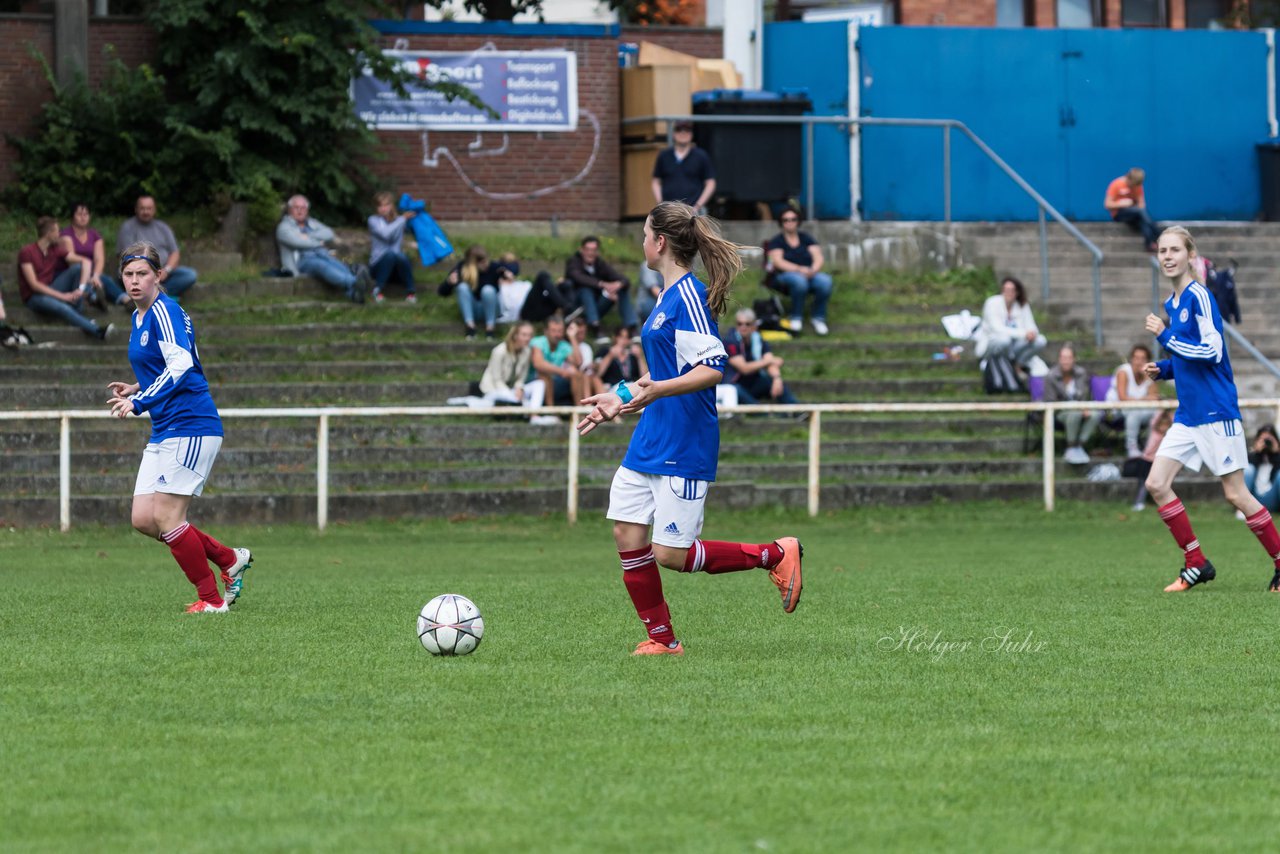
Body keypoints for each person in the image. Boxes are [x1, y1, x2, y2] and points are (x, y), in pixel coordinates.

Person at [575, 201, 803, 657]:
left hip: (685, 440)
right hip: (651, 438)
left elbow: (712, 367)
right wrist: (618, 397)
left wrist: (655, 391)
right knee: (627, 532)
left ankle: (774, 554)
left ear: (660, 242)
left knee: (671, 555)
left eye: (644, 234)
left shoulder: (690, 298)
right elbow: (660, 371)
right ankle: (664, 640)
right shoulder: (664, 300)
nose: (641, 242)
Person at [105, 241, 253, 613]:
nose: (135, 281)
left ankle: (212, 601)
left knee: (168, 517)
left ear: (158, 275)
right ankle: (228, 558)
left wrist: (138, 401)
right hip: (166, 428)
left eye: (142, 274)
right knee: (143, 518)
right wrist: (136, 385)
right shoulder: (140, 316)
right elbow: (168, 361)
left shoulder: (165, 310)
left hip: (192, 425)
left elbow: (182, 364)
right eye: (128, 274)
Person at [1140, 225, 1280, 593]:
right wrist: (1165, 367)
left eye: (1175, 250)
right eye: (1162, 251)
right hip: (1188, 414)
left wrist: (1164, 337)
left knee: (1235, 495)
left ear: (1189, 255)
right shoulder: (1173, 303)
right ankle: (1196, 562)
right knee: (1156, 483)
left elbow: (1213, 351)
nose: (1168, 256)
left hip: (1217, 411)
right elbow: (1190, 356)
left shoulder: (1200, 297)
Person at [18, 216, 114, 341]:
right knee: (62, 307)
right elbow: (34, 285)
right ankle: (97, 331)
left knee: (78, 268)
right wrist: (64, 296)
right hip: (33, 296)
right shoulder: (27, 252)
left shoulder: (55, 250)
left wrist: (81, 288)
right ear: (49, 233)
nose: (60, 234)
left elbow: (85, 262)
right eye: (57, 231)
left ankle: (85, 299)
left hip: (50, 288)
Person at [276, 194, 369, 304]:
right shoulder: (284, 227)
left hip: (322, 254)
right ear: (290, 210)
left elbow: (329, 233)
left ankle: (353, 294)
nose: (300, 211)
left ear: (307, 210)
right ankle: (354, 283)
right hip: (302, 261)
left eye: (303, 208)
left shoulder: (312, 222)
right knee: (321, 265)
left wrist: (308, 236)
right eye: (296, 208)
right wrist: (318, 242)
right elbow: (299, 243)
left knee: (337, 265)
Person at [765, 205, 833, 336]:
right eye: (786, 220)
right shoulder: (776, 241)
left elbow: (818, 256)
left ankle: (818, 317)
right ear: (781, 222)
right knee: (799, 281)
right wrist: (799, 269)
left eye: (793, 219)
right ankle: (796, 316)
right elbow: (778, 262)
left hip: (809, 273)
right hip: (785, 276)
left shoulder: (806, 238)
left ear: (798, 221)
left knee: (825, 281)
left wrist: (813, 269)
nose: (790, 222)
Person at [116, 195, 198, 299]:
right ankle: (154, 295)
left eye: (149, 208)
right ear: (136, 209)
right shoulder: (127, 228)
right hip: (138, 273)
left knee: (190, 275)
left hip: (163, 274)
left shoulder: (163, 228)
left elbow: (175, 253)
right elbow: (127, 257)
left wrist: (166, 270)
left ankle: (152, 296)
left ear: (154, 210)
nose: (146, 212)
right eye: (142, 208)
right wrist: (149, 271)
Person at [722, 307, 800, 408]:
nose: (743, 327)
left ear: (754, 326)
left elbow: (770, 363)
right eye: (739, 323)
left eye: (747, 324)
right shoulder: (730, 341)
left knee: (770, 381)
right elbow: (744, 368)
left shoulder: (758, 339)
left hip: (753, 382)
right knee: (736, 390)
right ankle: (762, 414)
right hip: (734, 384)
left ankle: (797, 410)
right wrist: (769, 361)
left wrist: (777, 378)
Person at [564, 236, 638, 337]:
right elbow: (578, 277)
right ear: (581, 250)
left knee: (621, 290)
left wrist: (618, 284)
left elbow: (622, 279)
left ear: (597, 252)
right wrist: (603, 284)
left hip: (597, 305)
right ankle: (595, 327)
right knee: (586, 290)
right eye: (588, 250)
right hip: (578, 307)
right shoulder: (573, 262)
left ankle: (632, 326)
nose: (590, 253)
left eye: (593, 250)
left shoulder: (600, 264)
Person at [477, 321, 551, 421]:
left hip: (512, 390)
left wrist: (519, 389)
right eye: (524, 335)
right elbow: (497, 380)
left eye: (529, 335)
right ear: (515, 335)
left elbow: (521, 378)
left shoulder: (527, 351)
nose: (527, 338)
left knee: (540, 384)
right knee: (513, 398)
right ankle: (524, 408)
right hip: (494, 390)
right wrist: (514, 394)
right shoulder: (499, 351)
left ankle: (534, 415)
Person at [1043, 343, 1102, 464]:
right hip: (1059, 412)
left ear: (1074, 359)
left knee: (1095, 414)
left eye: (1069, 358)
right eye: (1063, 358)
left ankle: (1078, 446)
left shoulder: (1081, 373)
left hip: (1079, 408)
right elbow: (1050, 401)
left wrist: (1083, 407)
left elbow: (1084, 395)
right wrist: (1074, 408)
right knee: (1074, 414)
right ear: (1059, 359)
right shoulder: (1051, 376)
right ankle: (1070, 447)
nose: (1066, 361)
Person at [62, 202, 128, 309]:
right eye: (79, 214)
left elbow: (99, 259)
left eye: (86, 214)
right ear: (72, 216)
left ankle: (125, 301)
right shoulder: (66, 235)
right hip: (75, 272)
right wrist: (88, 276)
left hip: (92, 274)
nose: (83, 218)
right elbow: (71, 260)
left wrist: (96, 276)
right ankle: (97, 297)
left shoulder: (94, 235)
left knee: (103, 279)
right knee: (100, 280)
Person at [974, 276, 1047, 372]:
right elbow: (997, 328)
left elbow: (1031, 325)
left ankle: (1018, 364)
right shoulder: (992, 303)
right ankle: (996, 364)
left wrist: (1032, 334)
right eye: (1006, 290)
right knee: (1004, 340)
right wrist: (1024, 334)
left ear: (1017, 292)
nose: (1008, 293)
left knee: (1040, 340)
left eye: (1012, 290)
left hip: (1015, 345)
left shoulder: (1022, 305)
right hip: (994, 343)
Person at [650, 120, 715, 211]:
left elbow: (710, 183)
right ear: (673, 134)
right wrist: (661, 204)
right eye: (679, 129)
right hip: (669, 211)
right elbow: (656, 182)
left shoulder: (701, 156)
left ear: (692, 134)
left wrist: (697, 206)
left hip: (693, 211)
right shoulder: (664, 156)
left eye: (687, 130)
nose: (683, 133)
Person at [441, 244, 503, 339]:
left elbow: (512, 267)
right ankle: (470, 327)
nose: (486, 264)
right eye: (482, 262)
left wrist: (507, 273)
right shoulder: (461, 268)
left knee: (488, 290)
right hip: (473, 309)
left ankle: (490, 328)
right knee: (462, 287)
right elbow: (442, 292)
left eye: (486, 260)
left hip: (491, 309)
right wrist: (449, 282)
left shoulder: (493, 267)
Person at [1111, 343, 1160, 458]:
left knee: (1158, 412)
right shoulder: (1123, 372)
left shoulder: (1147, 374)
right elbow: (1122, 398)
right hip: (1116, 411)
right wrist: (1146, 399)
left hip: (1138, 409)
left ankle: (1151, 447)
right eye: (1136, 358)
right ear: (1131, 359)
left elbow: (1155, 397)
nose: (1139, 362)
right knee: (1134, 412)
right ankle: (1131, 446)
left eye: (1143, 359)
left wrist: (1148, 378)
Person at [367, 191, 416, 303]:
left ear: (391, 206)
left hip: (395, 269)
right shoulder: (373, 220)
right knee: (390, 255)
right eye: (380, 206)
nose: (383, 208)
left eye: (386, 205)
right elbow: (386, 234)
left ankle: (411, 293)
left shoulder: (398, 220)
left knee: (401, 257)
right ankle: (377, 290)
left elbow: (406, 234)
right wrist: (402, 219)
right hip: (378, 266)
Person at [1127, 408, 1173, 512]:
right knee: (1143, 483)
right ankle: (1139, 502)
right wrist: (1163, 408)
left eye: (1166, 425)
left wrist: (1169, 410)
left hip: (1161, 461)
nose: (1163, 427)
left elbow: (1174, 420)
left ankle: (1165, 504)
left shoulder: (1169, 436)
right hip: (1147, 460)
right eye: (1162, 424)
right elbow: (1155, 419)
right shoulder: (1154, 431)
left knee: (1163, 484)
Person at [529, 314, 578, 408]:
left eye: (560, 331)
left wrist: (572, 337)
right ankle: (551, 411)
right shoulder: (537, 342)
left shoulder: (563, 345)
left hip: (556, 382)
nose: (557, 334)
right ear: (546, 331)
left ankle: (580, 411)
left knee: (578, 375)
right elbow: (538, 364)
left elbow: (577, 362)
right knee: (544, 375)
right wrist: (562, 371)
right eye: (554, 331)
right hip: (535, 381)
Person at [1104, 167, 1159, 251]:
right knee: (1140, 212)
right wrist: (1121, 204)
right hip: (1119, 213)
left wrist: (1136, 206)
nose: (1133, 187)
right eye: (1132, 185)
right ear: (1128, 178)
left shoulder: (1138, 186)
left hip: (1135, 213)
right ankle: (1158, 234)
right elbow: (1107, 204)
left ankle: (1149, 244)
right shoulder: (1116, 184)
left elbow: (1141, 204)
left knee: (1142, 219)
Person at [594, 325, 646, 391]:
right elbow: (598, 373)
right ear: (615, 337)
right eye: (620, 337)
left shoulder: (632, 355)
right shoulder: (605, 351)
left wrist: (639, 357)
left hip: (631, 386)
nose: (623, 340)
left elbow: (644, 376)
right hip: (612, 388)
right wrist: (610, 355)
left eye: (626, 337)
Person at [1244, 424, 1280, 512]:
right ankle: (1243, 508)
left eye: (1269, 440)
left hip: (1273, 499)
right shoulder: (1253, 456)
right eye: (1263, 440)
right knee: (1248, 469)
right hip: (1254, 498)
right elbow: (1246, 467)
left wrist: (1276, 452)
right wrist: (1257, 452)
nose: (1266, 443)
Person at [566, 315, 601, 402]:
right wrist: (572, 337)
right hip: (571, 379)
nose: (582, 335)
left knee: (594, 377)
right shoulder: (565, 346)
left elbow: (588, 367)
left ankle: (609, 408)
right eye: (579, 332)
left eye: (584, 332)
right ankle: (586, 407)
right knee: (585, 376)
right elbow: (578, 362)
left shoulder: (586, 347)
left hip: (588, 378)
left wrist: (594, 366)